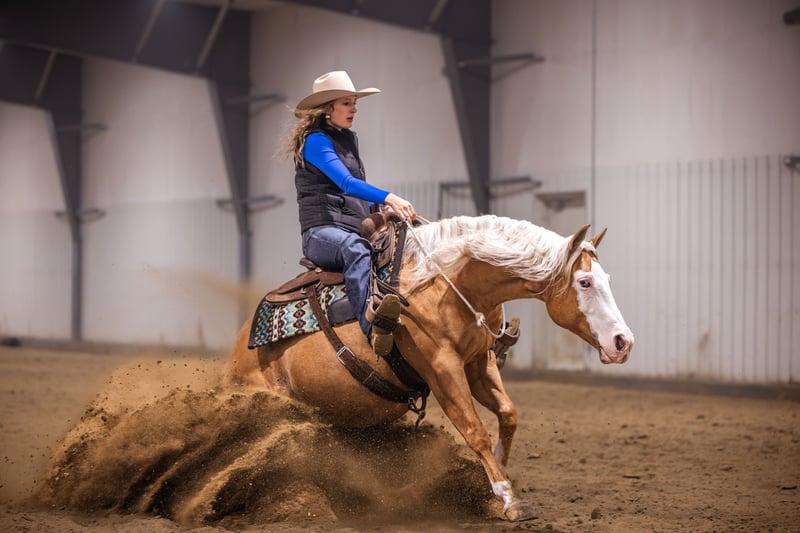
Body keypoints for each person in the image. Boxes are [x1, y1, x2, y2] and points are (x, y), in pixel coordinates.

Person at [281, 70, 417, 356]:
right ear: (327, 109)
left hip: (349, 227)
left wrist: (376, 209)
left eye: (354, 103)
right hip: (321, 233)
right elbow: (346, 183)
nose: (354, 109)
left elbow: (349, 190)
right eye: (346, 103)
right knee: (356, 249)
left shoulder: (346, 140)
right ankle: (372, 329)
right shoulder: (316, 141)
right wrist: (389, 197)